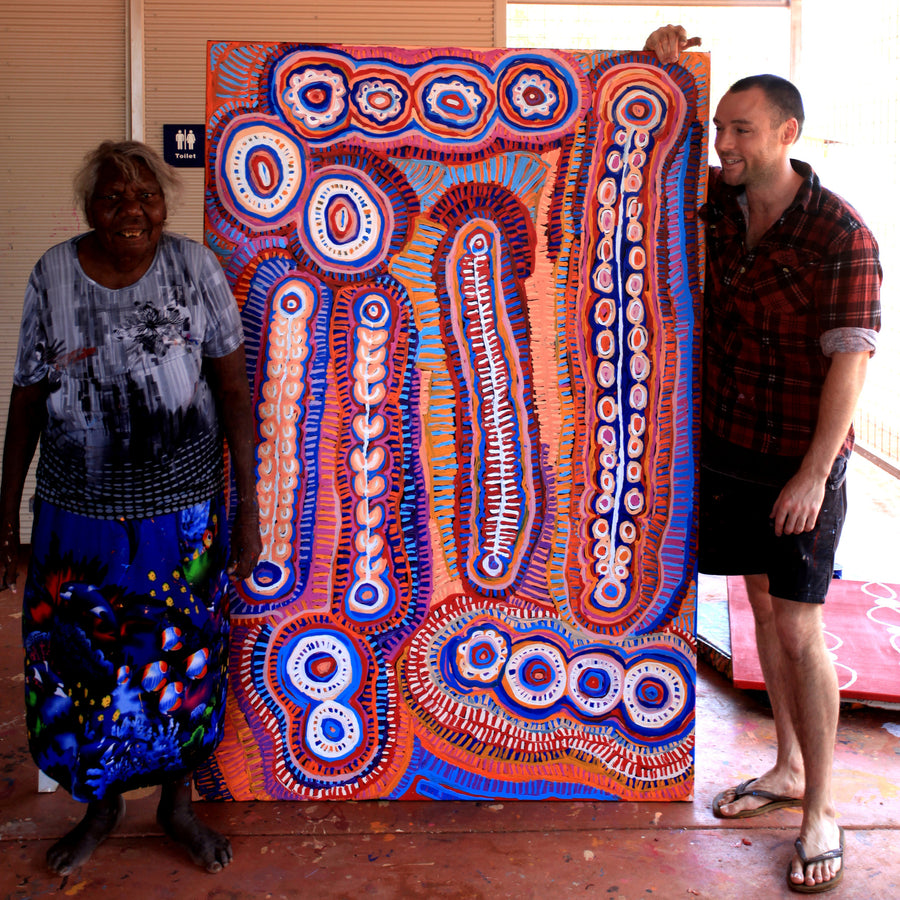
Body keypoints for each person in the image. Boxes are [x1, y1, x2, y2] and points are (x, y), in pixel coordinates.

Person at [645, 26, 881, 895]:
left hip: (798, 457)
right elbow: (641, 152)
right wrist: (656, 66)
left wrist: (815, 474)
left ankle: (822, 809)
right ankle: (783, 767)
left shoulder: (839, 235)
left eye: (742, 129)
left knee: (798, 623)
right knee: (753, 602)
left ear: (789, 132)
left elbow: (850, 362)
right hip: (728, 448)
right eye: (720, 132)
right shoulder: (718, 204)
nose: (725, 145)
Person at [0, 141, 262, 875]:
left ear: (164, 205)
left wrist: (246, 512)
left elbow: (234, 393)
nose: (131, 211)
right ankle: (101, 806)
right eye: (114, 197)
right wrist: (5, 512)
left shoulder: (194, 268)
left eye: (146, 196)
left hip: (180, 517)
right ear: (88, 207)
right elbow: (25, 400)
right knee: (77, 666)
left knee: (177, 657)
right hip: (74, 515)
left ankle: (177, 805)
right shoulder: (52, 273)